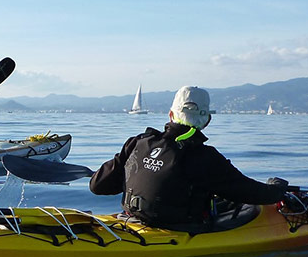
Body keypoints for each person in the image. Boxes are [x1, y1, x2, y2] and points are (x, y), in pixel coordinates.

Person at [89, 85, 289, 229]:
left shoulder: (138, 142)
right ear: (207, 120)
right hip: (179, 229)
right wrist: (277, 189)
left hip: (130, 221)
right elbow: (254, 194)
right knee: (242, 204)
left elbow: (97, 186)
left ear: (170, 115)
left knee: (221, 200)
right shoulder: (205, 157)